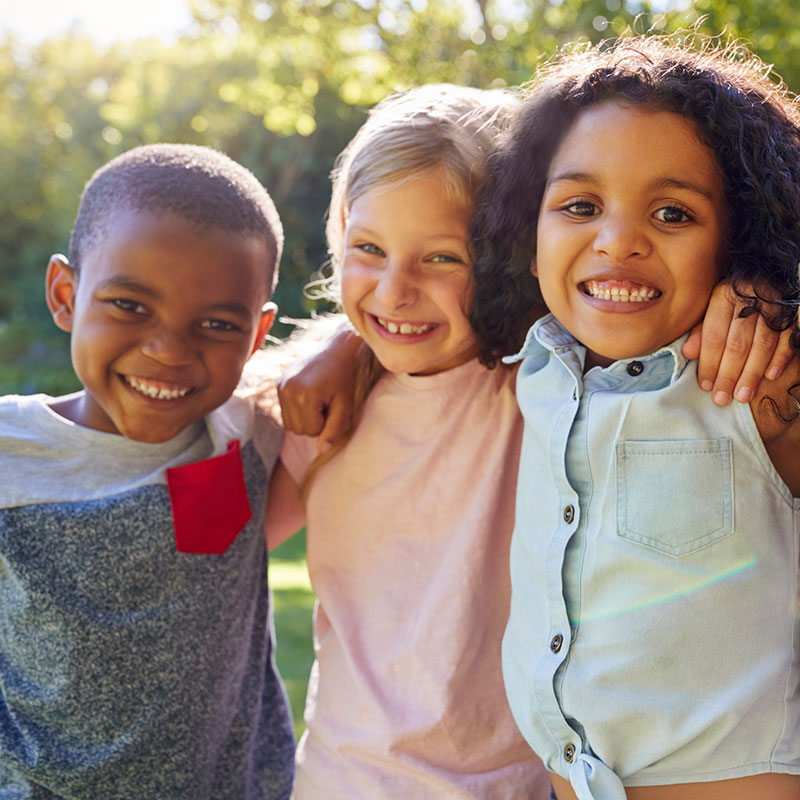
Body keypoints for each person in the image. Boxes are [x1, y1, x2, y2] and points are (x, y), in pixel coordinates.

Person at [468, 33, 800, 800]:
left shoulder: (758, 372)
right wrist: (339, 348)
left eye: (674, 212)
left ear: (737, 233)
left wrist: (781, 299)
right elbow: (402, 290)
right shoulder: (537, 363)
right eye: (580, 205)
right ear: (530, 230)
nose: (618, 241)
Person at [262, 83, 554, 799]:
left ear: (502, 259)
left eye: (441, 259)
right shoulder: (315, 406)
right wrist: (342, 343)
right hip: (343, 781)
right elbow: (207, 553)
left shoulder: (544, 386)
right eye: (368, 248)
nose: (393, 292)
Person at [0, 143, 295, 799]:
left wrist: (333, 360)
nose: (169, 352)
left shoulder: (248, 432)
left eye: (217, 324)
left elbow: (377, 343)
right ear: (65, 294)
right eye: (130, 306)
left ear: (256, 336)